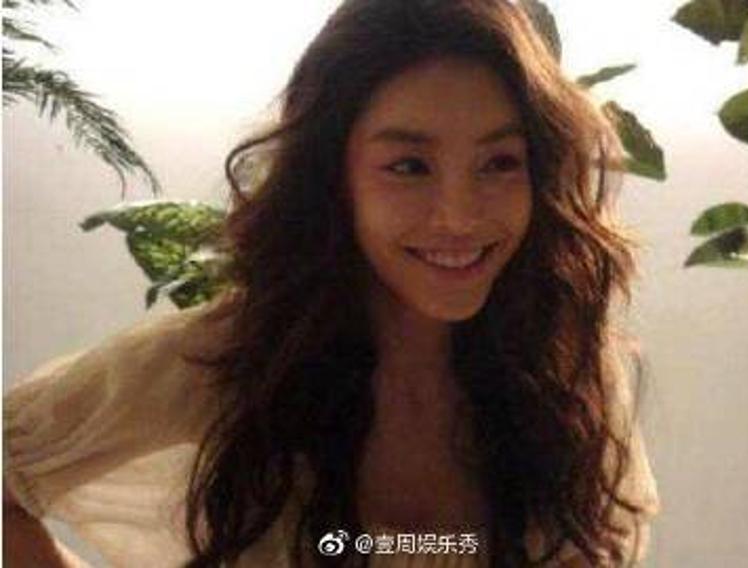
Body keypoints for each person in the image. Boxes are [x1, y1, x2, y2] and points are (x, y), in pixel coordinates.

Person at [3, 0, 661, 566]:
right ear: (332, 176)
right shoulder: (229, 361)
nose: (460, 215)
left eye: (499, 162)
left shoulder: (564, 367)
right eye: (409, 165)